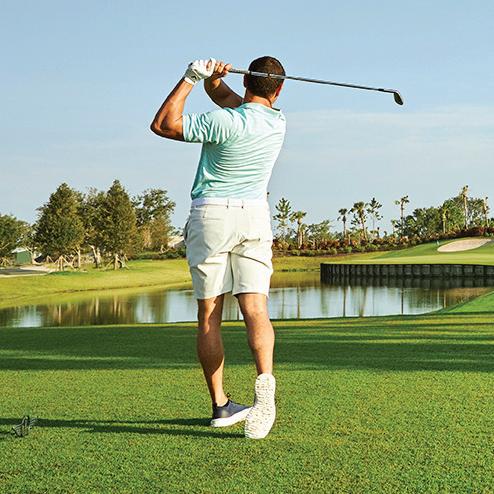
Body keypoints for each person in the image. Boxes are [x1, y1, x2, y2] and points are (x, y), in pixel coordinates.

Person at [150, 56, 286, 439]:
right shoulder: (277, 122)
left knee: (210, 313)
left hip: (211, 215)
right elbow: (233, 102)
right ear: (278, 90)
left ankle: (221, 406)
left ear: (246, 83)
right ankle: (265, 381)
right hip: (254, 216)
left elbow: (163, 124)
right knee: (255, 307)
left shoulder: (223, 122)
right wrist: (214, 82)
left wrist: (191, 78)